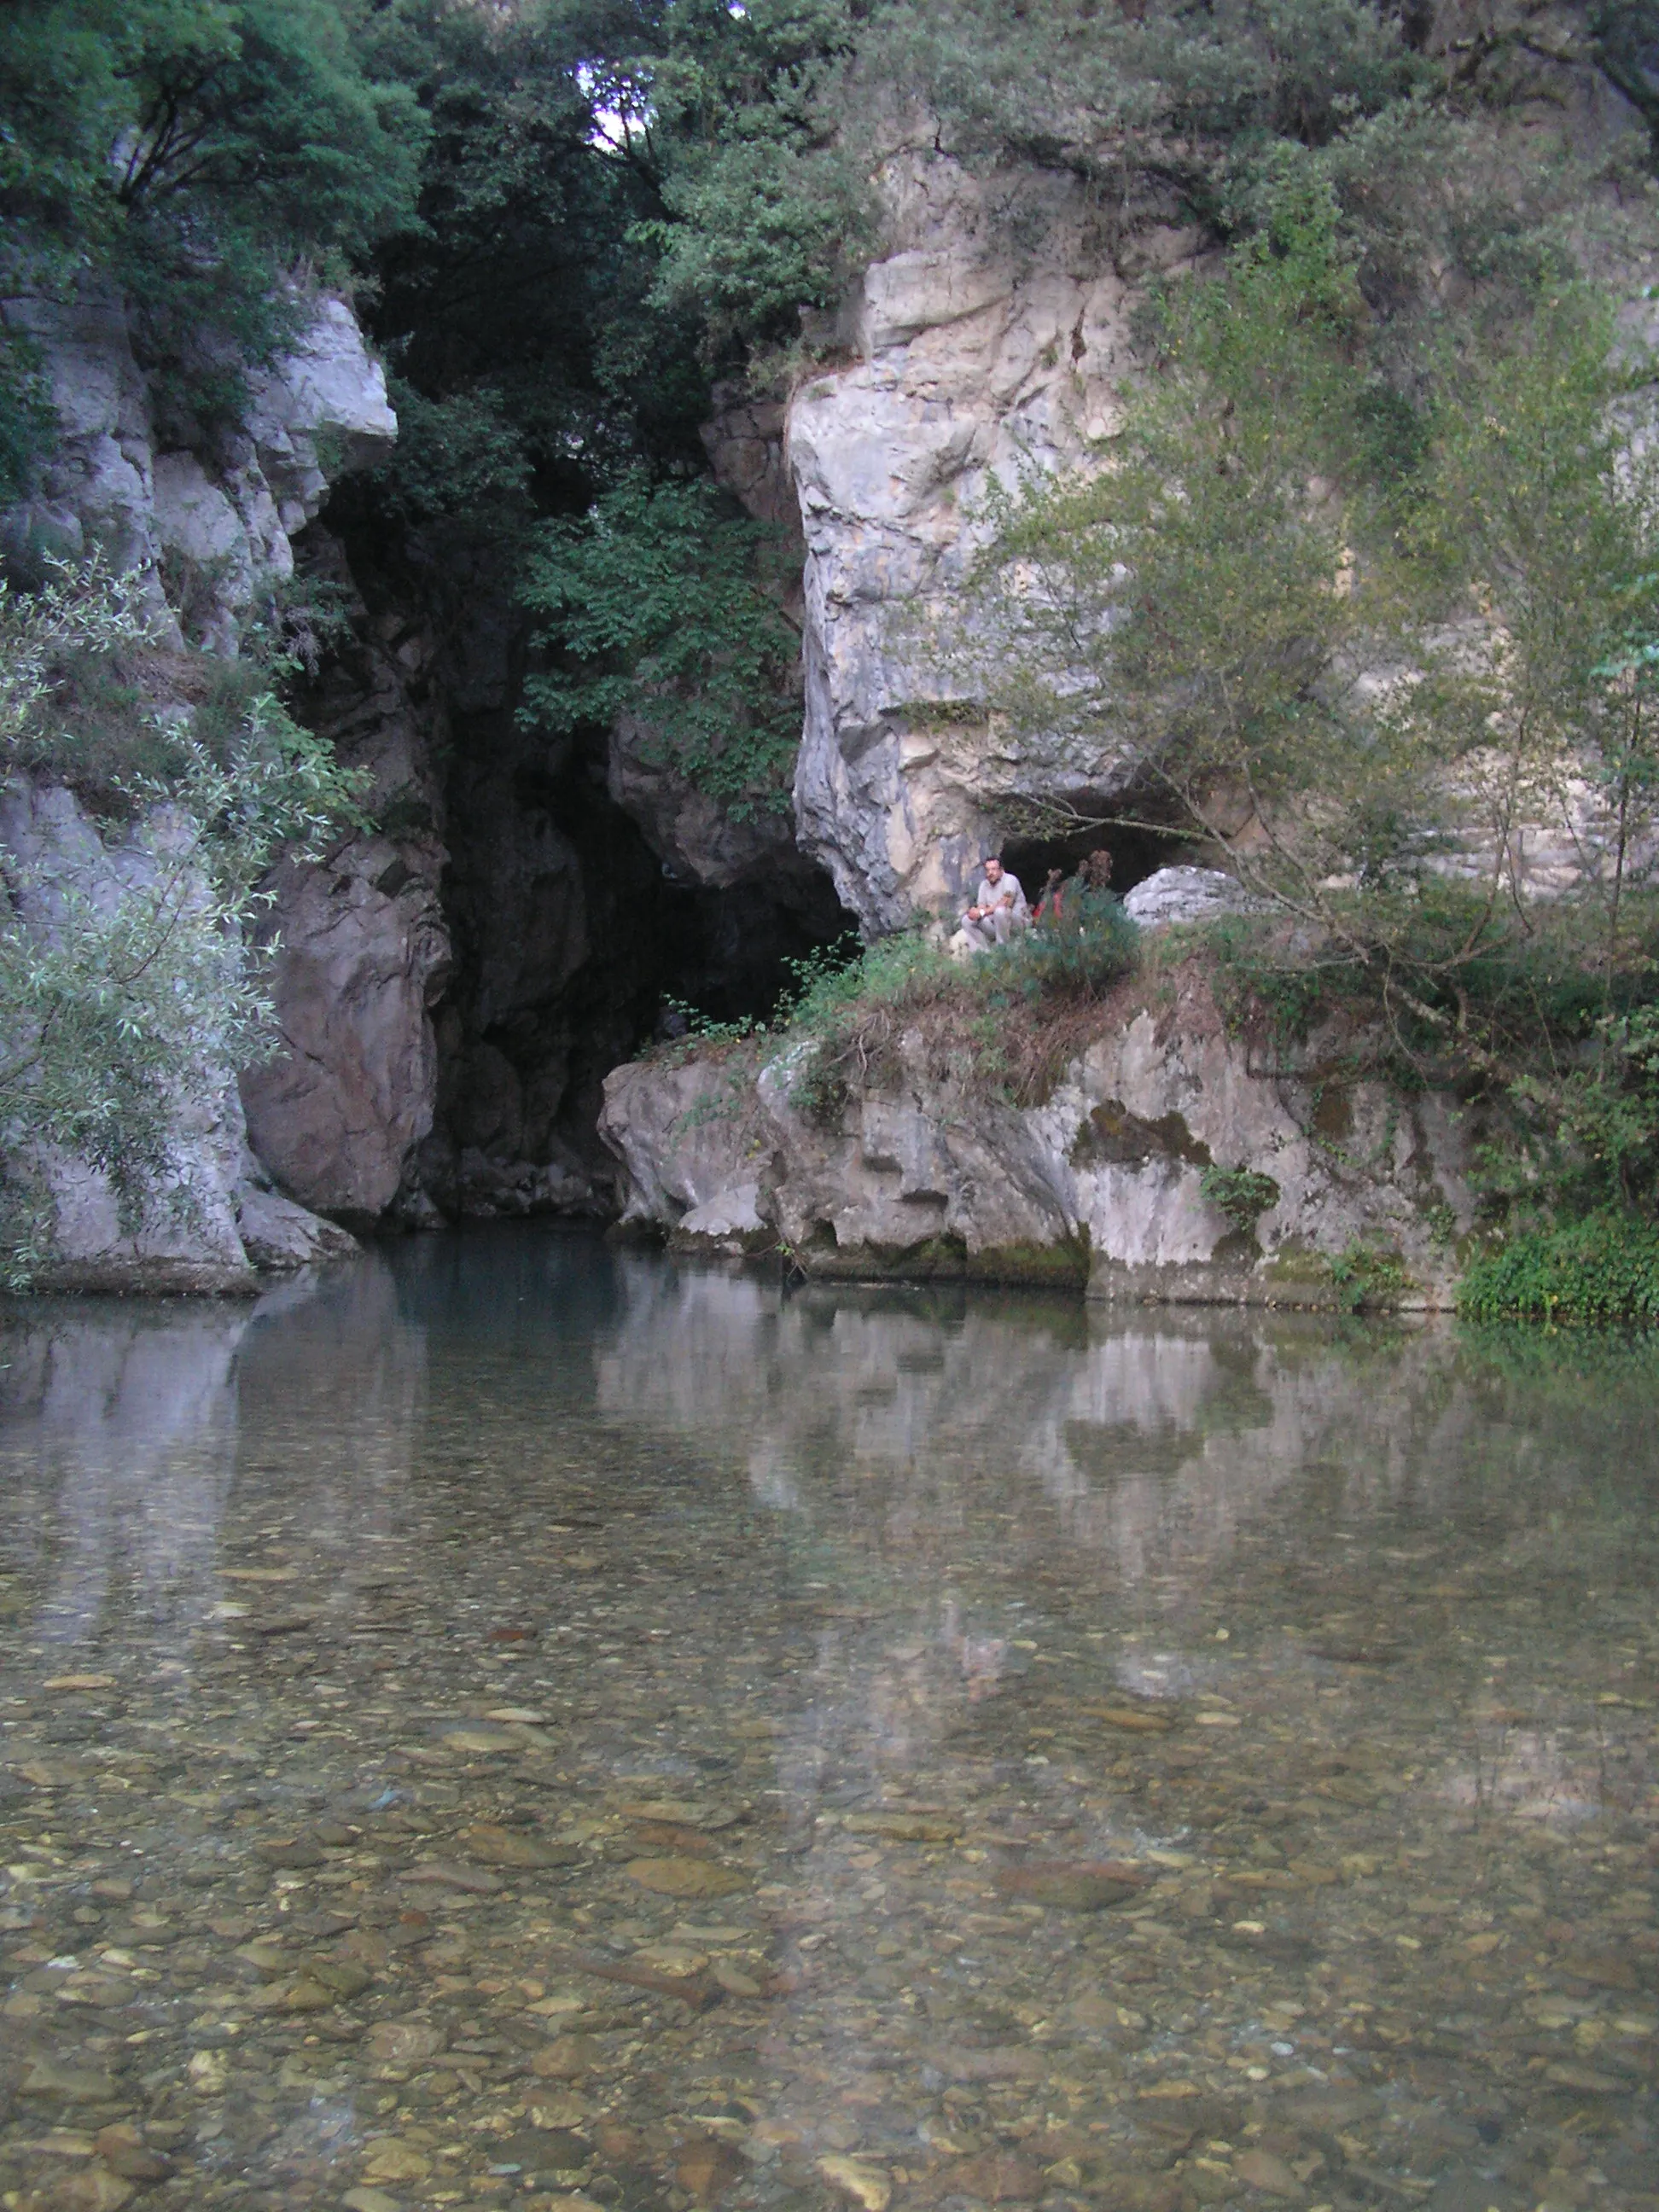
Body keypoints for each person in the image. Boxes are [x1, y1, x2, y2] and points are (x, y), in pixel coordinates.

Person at [960, 855, 1030, 949]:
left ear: (1001, 870)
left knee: (1000, 911)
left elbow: (1006, 902)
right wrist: (975, 913)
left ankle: (1003, 949)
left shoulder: (1010, 879)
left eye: (993, 869)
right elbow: (981, 907)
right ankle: (982, 953)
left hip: (1017, 923)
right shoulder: (984, 885)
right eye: (988, 870)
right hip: (996, 925)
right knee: (967, 920)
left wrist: (982, 912)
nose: (990, 873)